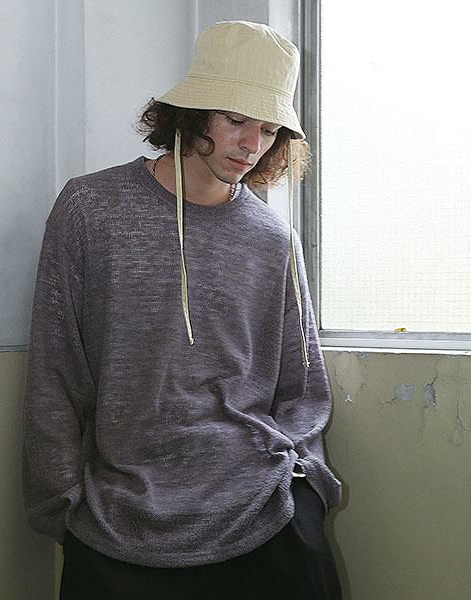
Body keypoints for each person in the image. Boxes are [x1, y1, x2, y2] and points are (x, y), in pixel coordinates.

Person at [22, 20, 342, 600]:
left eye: (269, 129)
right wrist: (62, 501)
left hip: (262, 509)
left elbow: (303, 387)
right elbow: (56, 368)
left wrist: (305, 484)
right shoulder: (90, 209)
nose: (251, 144)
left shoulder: (274, 239)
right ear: (192, 114)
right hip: (118, 518)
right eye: (236, 119)